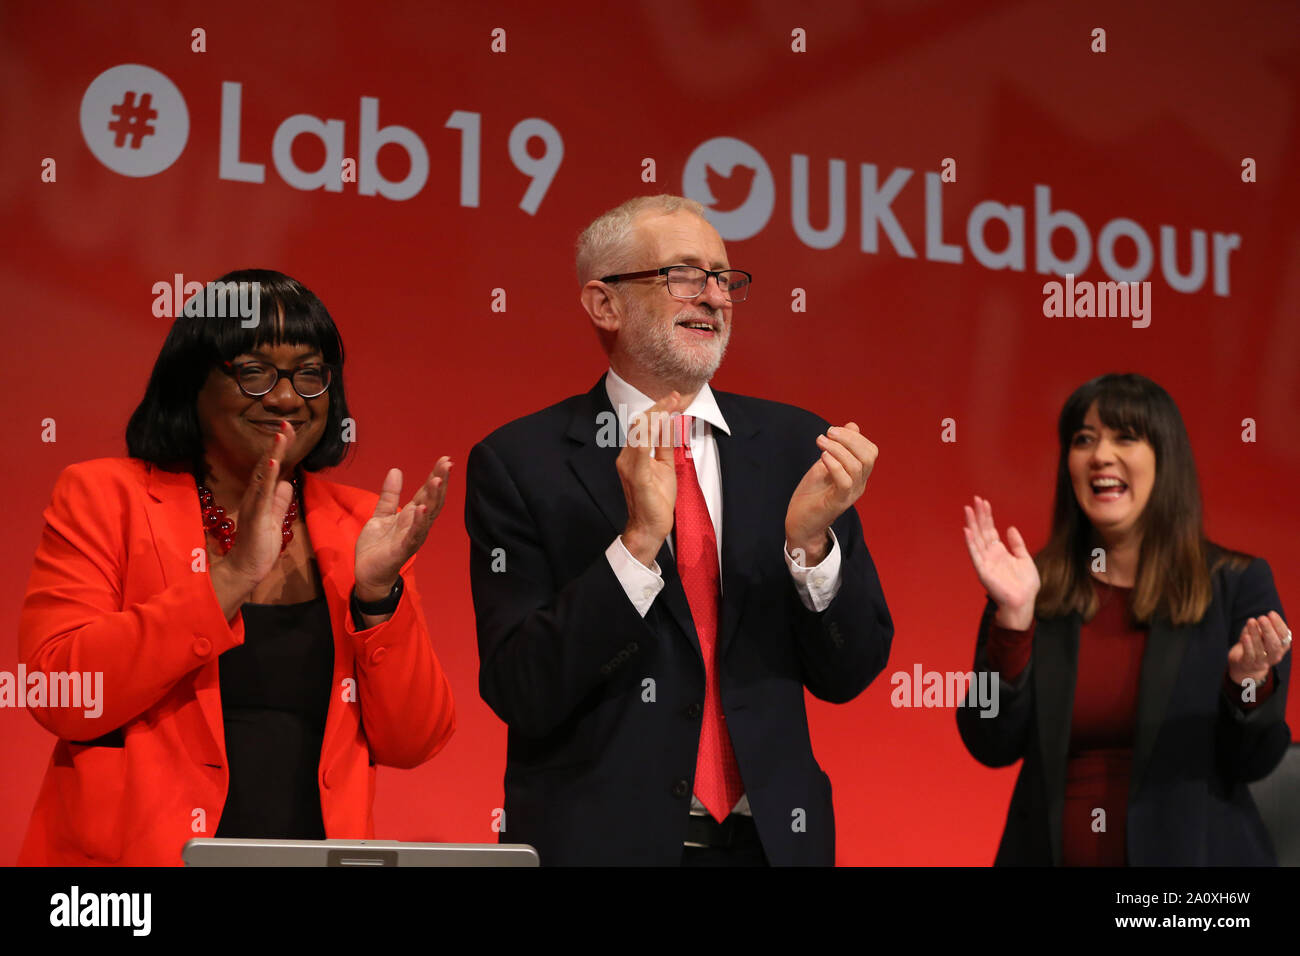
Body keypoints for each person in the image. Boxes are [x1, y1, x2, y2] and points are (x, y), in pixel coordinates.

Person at [465, 194, 893, 866]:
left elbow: (852, 671)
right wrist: (637, 544)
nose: (715, 296)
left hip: (773, 846)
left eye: (723, 278)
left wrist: (810, 548)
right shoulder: (521, 463)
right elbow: (523, 689)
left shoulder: (794, 448)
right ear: (604, 304)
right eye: (685, 275)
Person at [17, 269, 456, 865]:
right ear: (190, 383)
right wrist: (228, 579)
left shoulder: (358, 526)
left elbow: (413, 741)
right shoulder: (103, 496)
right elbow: (65, 694)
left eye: (309, 374)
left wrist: (378, 596)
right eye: (253, 373)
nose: (285, 398)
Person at [957, 372, 1291, 865]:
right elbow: (988, 740)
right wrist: (1012, 626)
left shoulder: (1235, 584)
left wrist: (1247, 683)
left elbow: (1255, 760)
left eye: (1125, 437)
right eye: (1084, 439)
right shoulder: (1031, 586)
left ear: (1165, 460)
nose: (1100, 455)